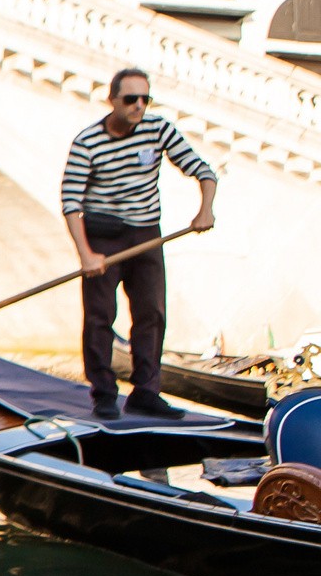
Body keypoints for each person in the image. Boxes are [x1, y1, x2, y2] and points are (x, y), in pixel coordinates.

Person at [62, 67, 219, 420]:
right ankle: (103, 393)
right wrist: (86, 254)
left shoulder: (158, 130)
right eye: (131, 99)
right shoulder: (88, 142)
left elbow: (204, 171)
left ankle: (146, 392)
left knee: (151, 314)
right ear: (112, 100)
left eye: (145, 99)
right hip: (102, 237)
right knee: (100, 316)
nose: (139, 106)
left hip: (147, 234)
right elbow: (71, 203)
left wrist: (204, 211)